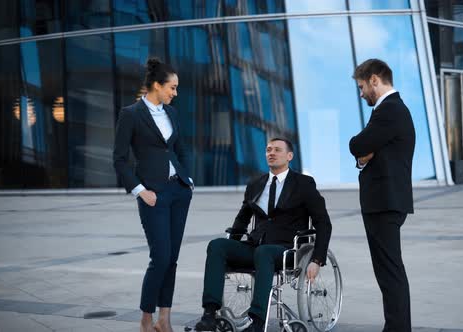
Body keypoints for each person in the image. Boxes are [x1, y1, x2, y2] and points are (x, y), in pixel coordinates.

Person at [194, 138, 332, 332]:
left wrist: (317, 259)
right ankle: (209, 314)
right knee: (217, 246)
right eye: (268, 150)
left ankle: (257, 321)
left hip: (288, 249)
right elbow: (242, 219)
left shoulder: (303, 183)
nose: (271, 153)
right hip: (256, 246)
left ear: (289, 156)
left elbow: (323, 222)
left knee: (264, 252)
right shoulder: (256, 183)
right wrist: (230, 251)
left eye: (277, 150)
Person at [113, 58, 194, 332]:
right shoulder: (131, 114)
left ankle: (165, 319)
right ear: (157, 86)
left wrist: (188, 179)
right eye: (172, 88)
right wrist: (140, 191)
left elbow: (180, 149)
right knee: (160, 257)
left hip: (179, 192)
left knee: (171, 258)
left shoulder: (171, 114)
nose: (175, 93)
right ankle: (146, 319)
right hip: (153, 195)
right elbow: (120, 159)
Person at [349, 58, 415, 332]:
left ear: (375, 79)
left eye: (362, 86)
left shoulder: (389, 110)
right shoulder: (390, 111)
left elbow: (358, 144)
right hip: (384, 201)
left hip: (385, 202)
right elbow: (365, 152)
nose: (362, 92)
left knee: (389, 272)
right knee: (388, 271)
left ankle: (397, 328)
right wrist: (364, 156)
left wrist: (361, 150)